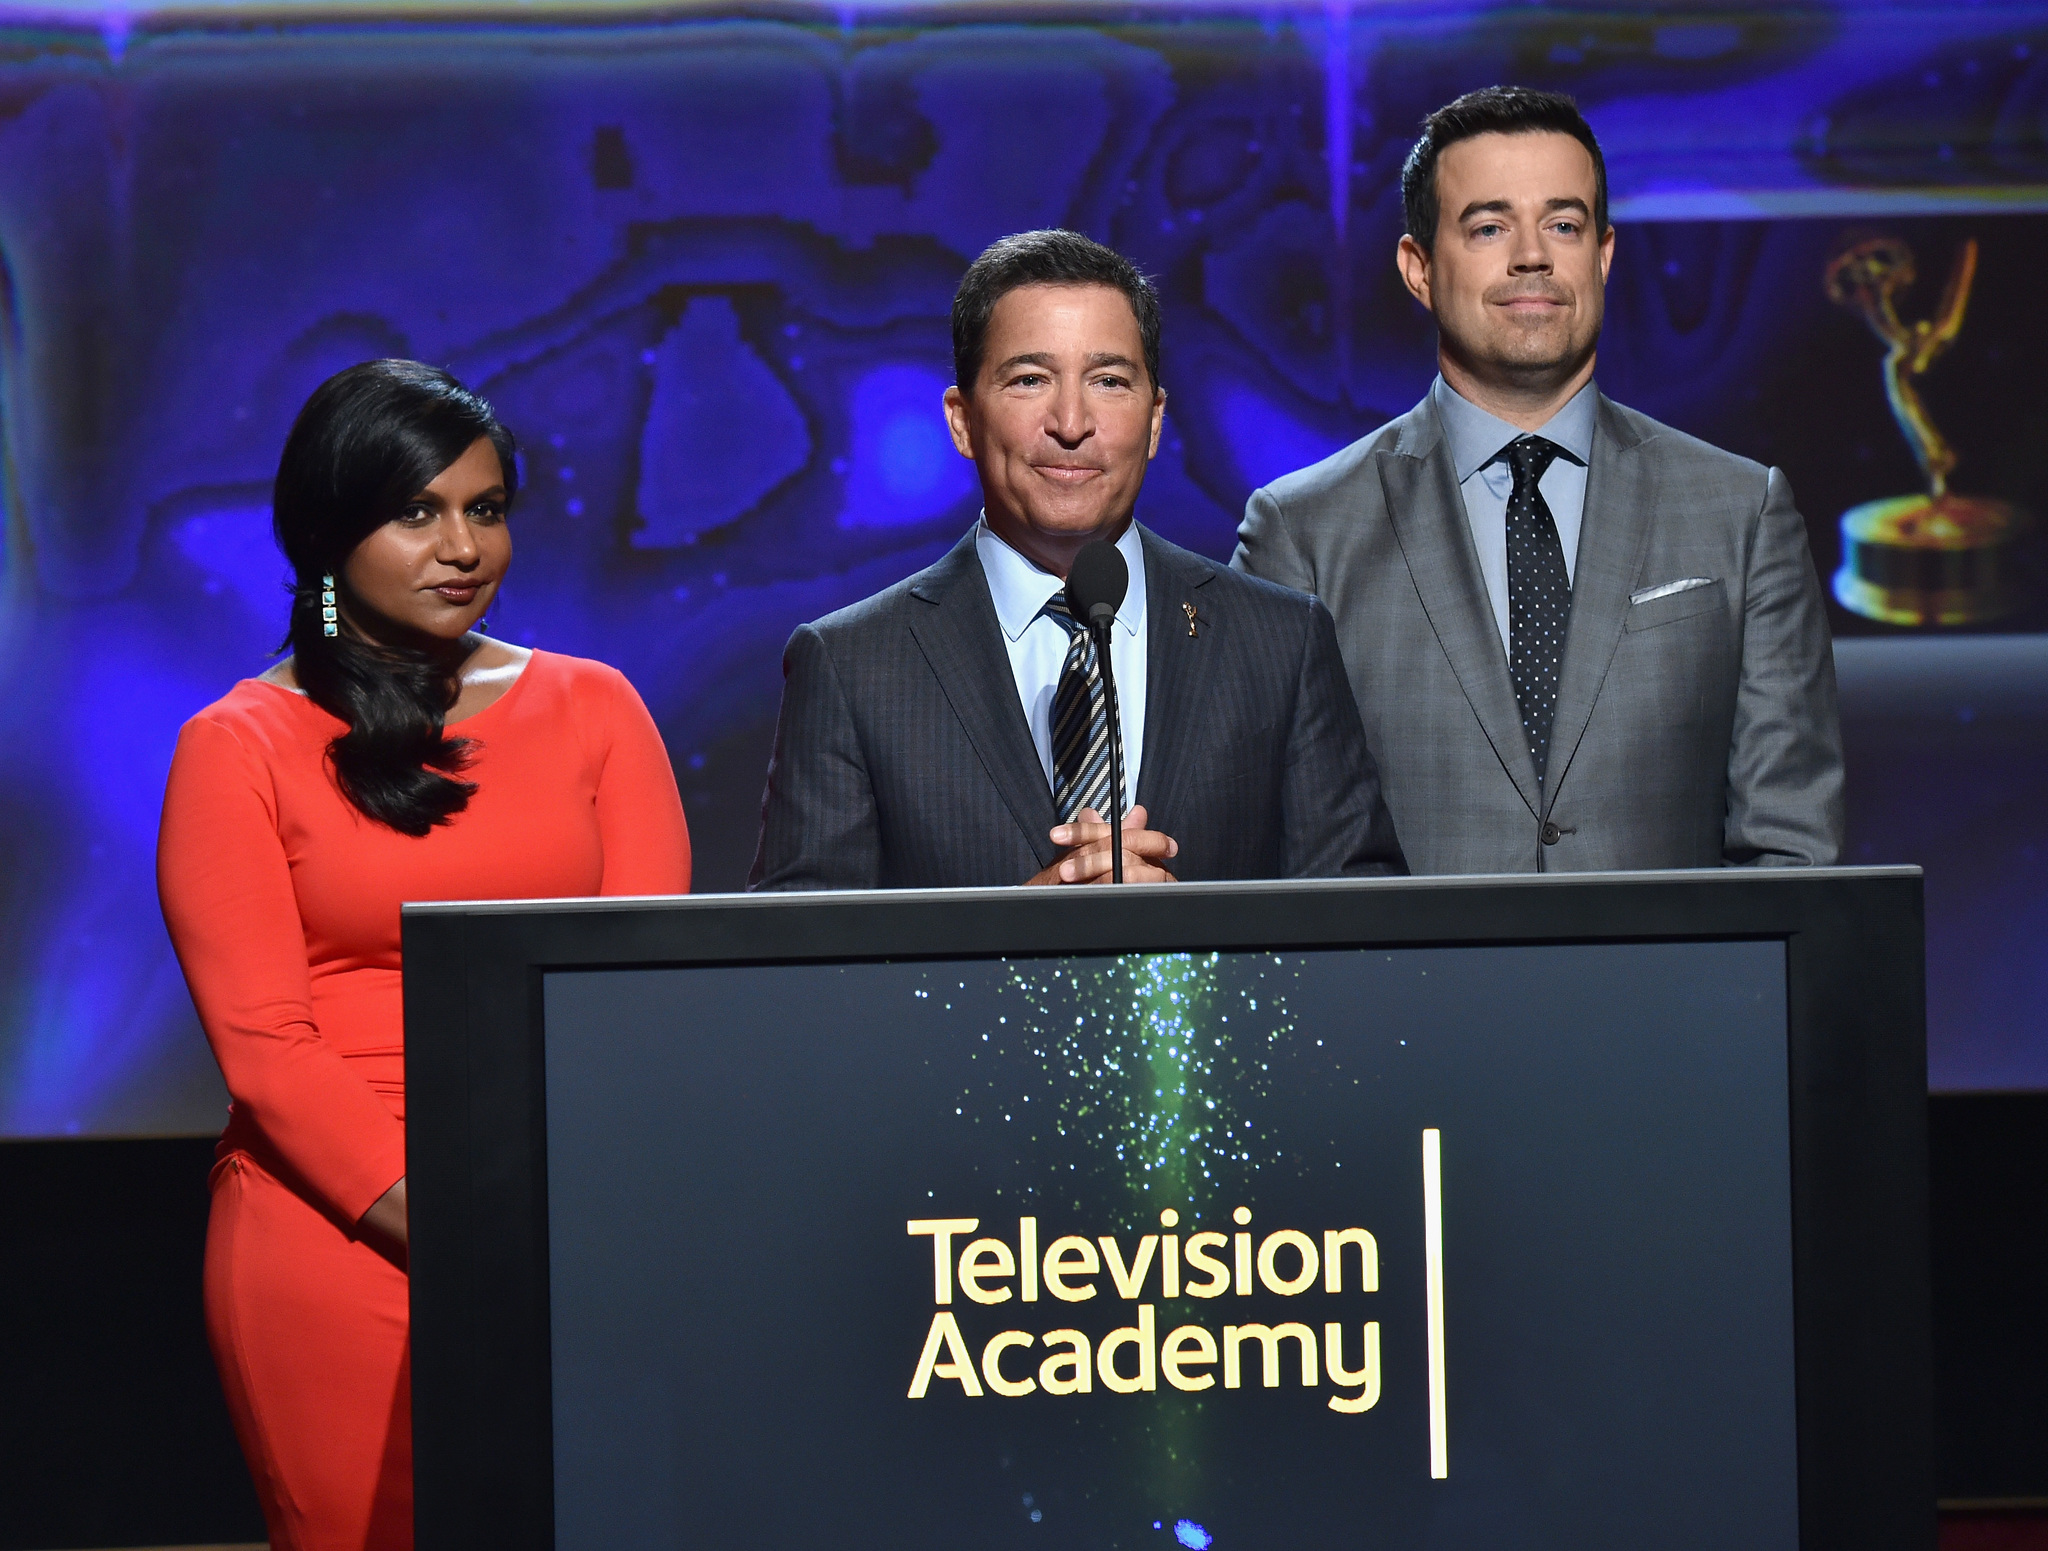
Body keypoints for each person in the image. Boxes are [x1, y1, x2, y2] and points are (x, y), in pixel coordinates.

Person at [156, 361, 691, 1550]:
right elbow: (264, 1051)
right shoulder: (236, 746)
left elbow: (654, 1001)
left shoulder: (597, 710)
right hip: (338, 1234)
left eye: (485, 510)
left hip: (576, 1224)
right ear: (331, 532)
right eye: (417, 513)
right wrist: (463, 1222)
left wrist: (579, 1221)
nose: (463, 547)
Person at [1233, 86, 1844, 873]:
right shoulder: (1303, 533)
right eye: (1489, 227)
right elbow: (1283, 858)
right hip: (1409, 996)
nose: (1533, 256)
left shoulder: (1742, 512)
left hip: (1676, 996)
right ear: (1418, 268)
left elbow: (1791, 851)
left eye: (1563, 224)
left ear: (1603, 255)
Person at [751, 229, 1403, 889]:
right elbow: (798, 969)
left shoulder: (1281, 643)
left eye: (1109, 380)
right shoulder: (852, 665)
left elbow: (1364, 934)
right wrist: (1012, 939)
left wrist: (1200, 947)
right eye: (1030, 379)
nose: (1071, 421)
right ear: (961, 420)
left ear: (1154, 420)